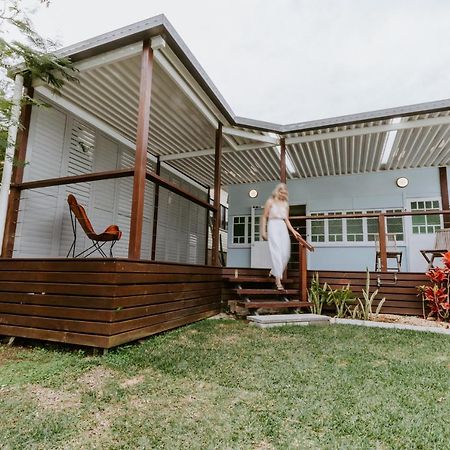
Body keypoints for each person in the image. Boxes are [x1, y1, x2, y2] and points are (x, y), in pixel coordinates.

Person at [261, 183, 303, 291]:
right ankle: (278, 281)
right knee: (276, 252)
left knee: (285, 254)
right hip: (272, 224)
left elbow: (286, 219)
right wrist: (263, 231)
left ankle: (273, 271)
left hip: (282, 226)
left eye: (285, 193)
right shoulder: (270, 201)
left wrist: (293, 231)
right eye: (281, 192)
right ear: (277, 191)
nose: (283, 194)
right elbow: (264, 216)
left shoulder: (285, 204)